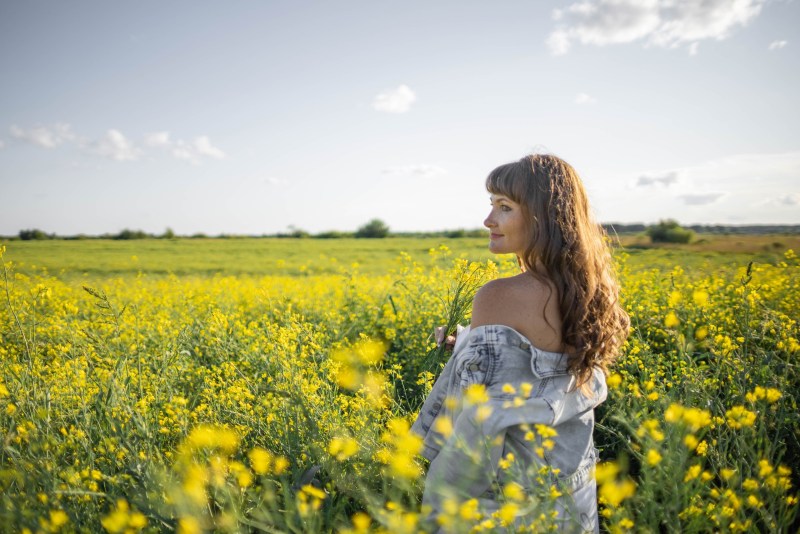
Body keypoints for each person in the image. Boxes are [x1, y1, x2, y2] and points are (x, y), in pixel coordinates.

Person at [411, 154, 630, 532]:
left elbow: (473, 413)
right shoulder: (589, 294)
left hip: (503, 501)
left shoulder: (498, 296)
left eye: (505, 207)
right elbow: (542, 365)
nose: (488, 220)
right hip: (570, 490)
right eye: (491, 205)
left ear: (542, 218)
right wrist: (468, 344)